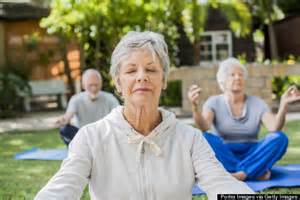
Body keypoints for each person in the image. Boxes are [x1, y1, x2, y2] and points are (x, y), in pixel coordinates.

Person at [35, 31, 253, 200]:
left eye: (151, 69)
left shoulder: (190, 139)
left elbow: (223, 185)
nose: (142, 77)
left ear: (164, 80)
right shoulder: (91, 138)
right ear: (118, 83)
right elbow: (61, 189)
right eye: (131, 71)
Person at [188, 57, 300, 181]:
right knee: (203, 137)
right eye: (232, 75)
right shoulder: (213, 102)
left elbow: (274, 127)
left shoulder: (258, 103)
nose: (238, 78)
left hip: (253, 153)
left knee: (280, 138)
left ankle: (238, 175)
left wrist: (283, 104)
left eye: (240, 75)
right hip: (225, 153)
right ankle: (254, 172)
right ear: (222, 80)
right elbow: (204, 126)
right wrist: (194, 107)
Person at [56, 69, 119, 145]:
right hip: (83, 137)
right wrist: (63, 119)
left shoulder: (110, 98)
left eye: (96, 85)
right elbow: (68, 115)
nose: (94, 88)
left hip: (103, 135)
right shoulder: (76, 99)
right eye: (90, 85)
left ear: (101, 84)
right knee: (64, 129)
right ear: (83, 85)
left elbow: (118, 117)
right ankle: (77, 151)